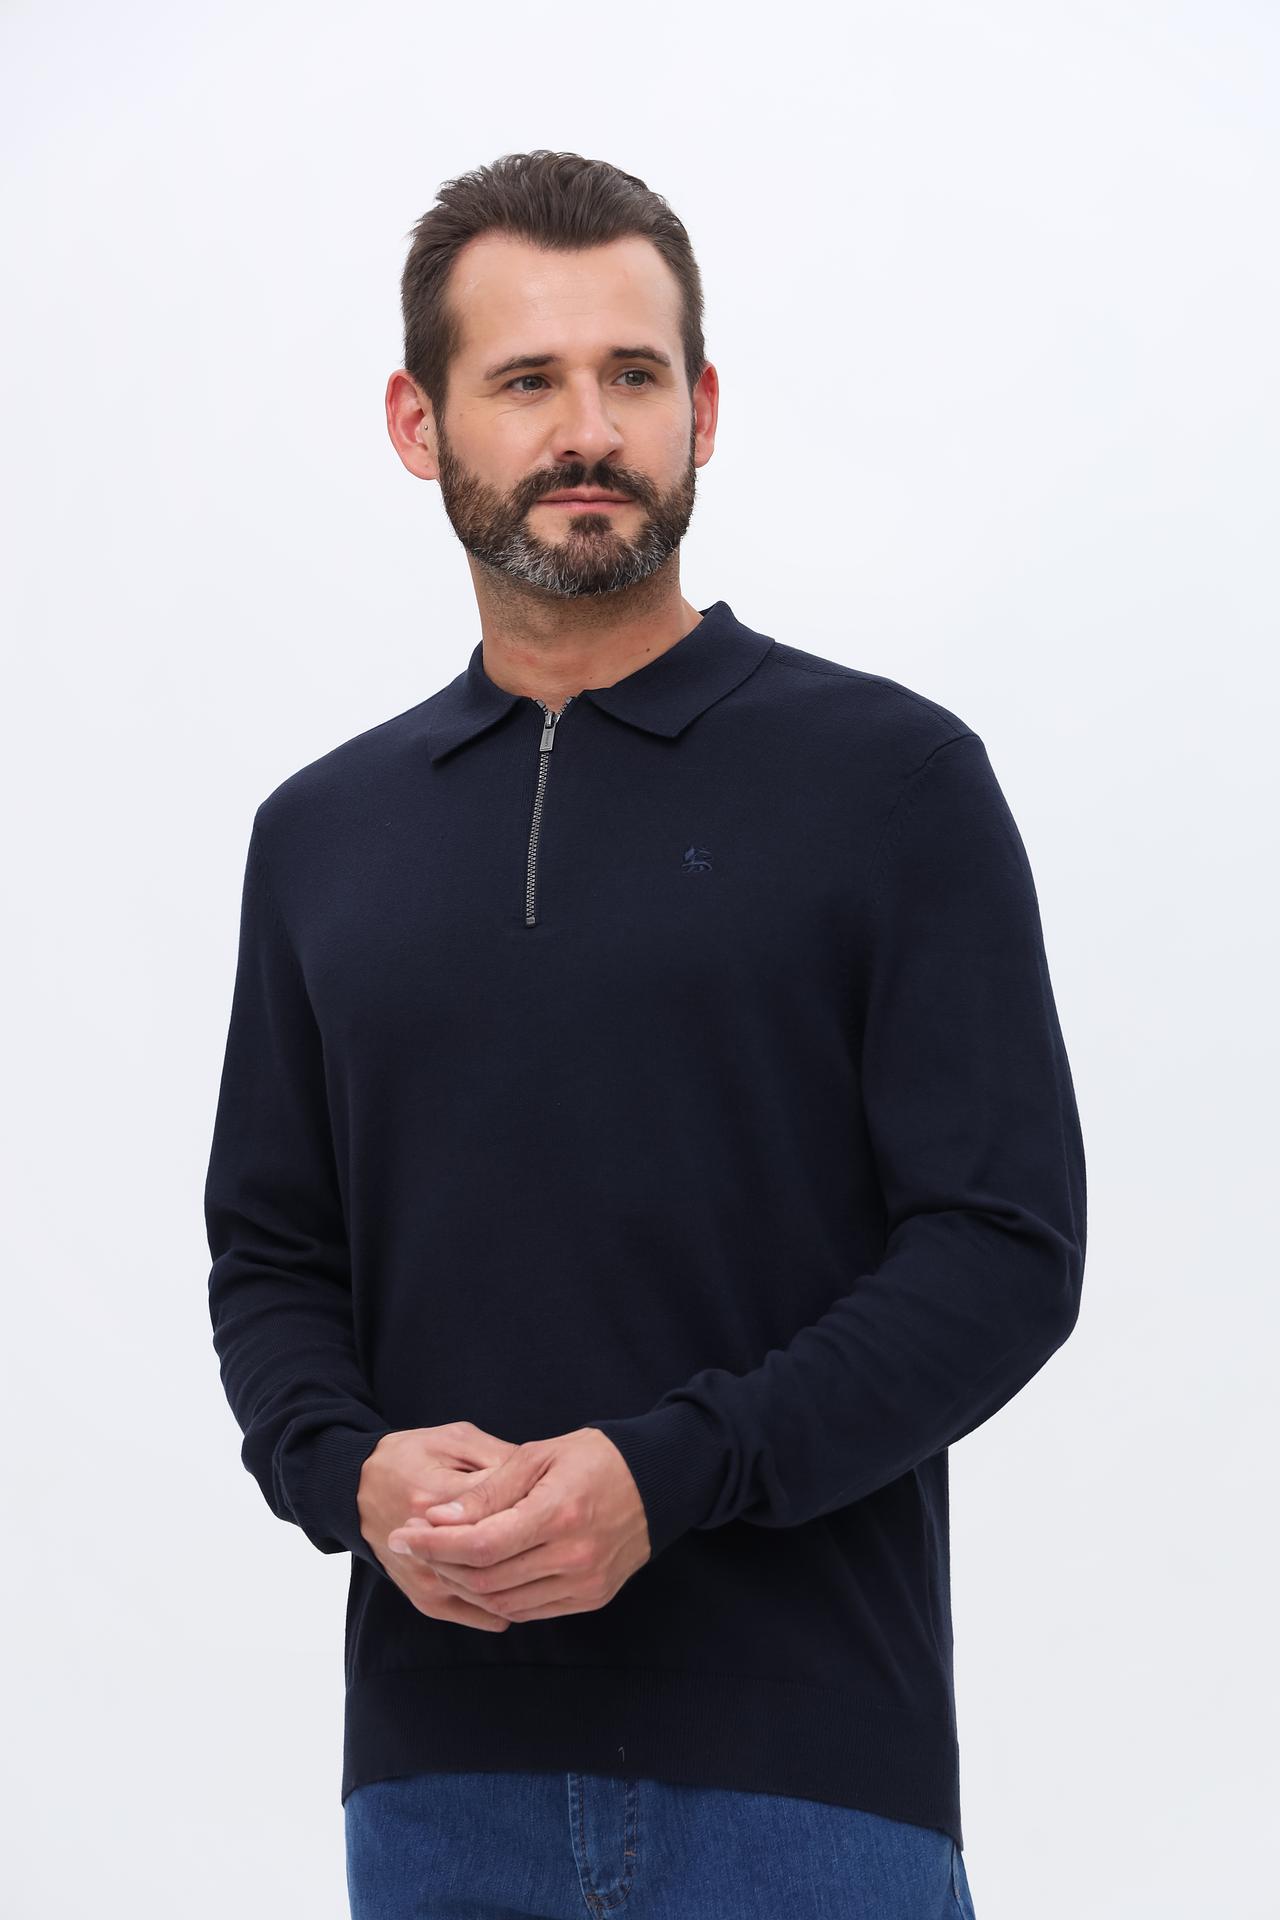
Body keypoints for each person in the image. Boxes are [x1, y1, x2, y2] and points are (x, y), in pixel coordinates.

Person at [204, 148, 1086, 1920]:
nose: (589, 431)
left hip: (811, 1783)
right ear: (419, 421)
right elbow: (274, 1257)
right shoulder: (321, 834)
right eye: (527, 379)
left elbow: (1004, 1250)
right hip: (438, 1787)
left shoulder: (893, 783)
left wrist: (665, 1475)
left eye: (633, 375)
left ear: (705, 409)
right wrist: (352, 1472)